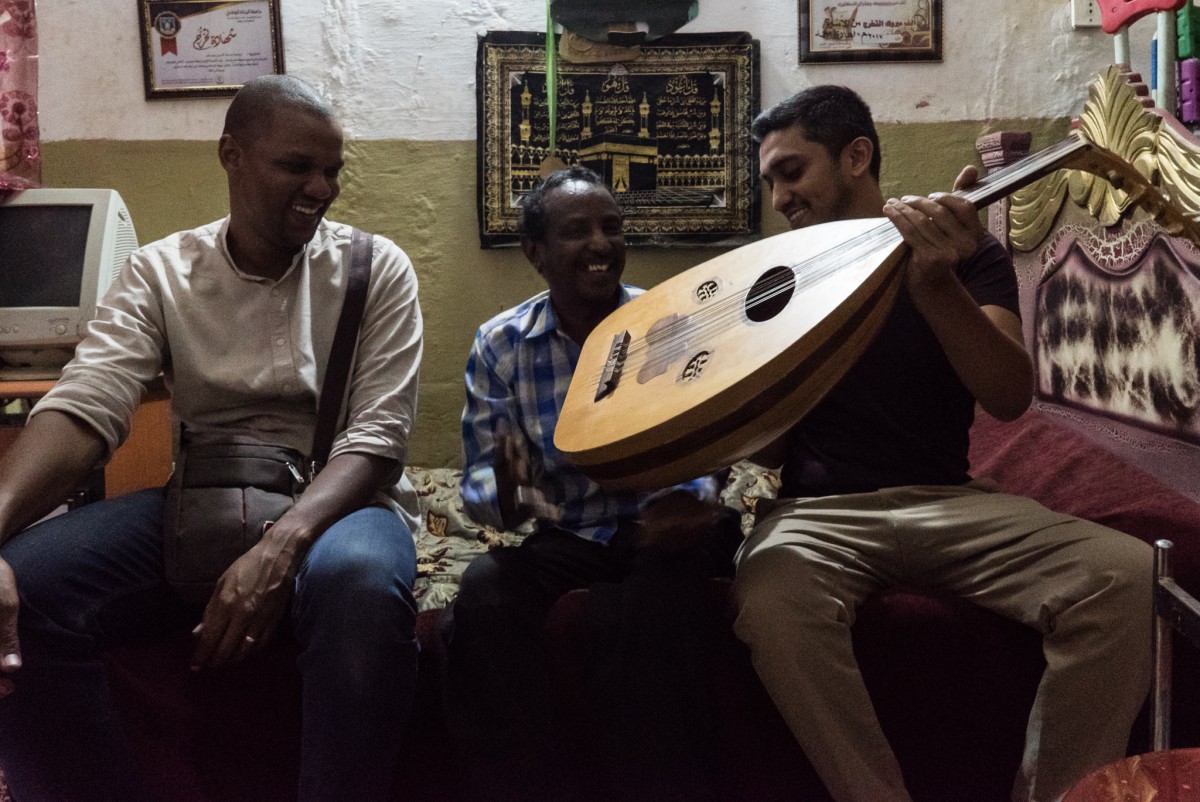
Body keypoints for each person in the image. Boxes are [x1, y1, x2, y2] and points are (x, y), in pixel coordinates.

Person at [0, 75, 423, 802]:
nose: (322, 189)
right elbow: (86, 403)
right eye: (297, 166)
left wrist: (278, 550)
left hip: (342, 502)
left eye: (332, 170)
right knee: (26, 589)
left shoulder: (375, 269)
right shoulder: (161, 273)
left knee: (360, 587)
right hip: (201, 499)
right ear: (232, 156)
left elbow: (378, 438)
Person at [731, 85, 1152, 802]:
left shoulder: (964, 252)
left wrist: (934, 285)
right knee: (770, 600)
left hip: (950, 502)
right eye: (771, 180)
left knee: (1128, 575)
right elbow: (767, 455)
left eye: (792, 172)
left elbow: (1007, 395)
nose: (780, 198)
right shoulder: (776, 280)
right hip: (818, 516)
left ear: (856, 156)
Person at [440, 165, 741, 802]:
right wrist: (507, 497)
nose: (601, 244)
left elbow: (712, 446)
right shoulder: (500, 344)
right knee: (484, 593)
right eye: (577, 231)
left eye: (612, 227)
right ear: (535, 252)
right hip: (572, 533)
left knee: (652, 608)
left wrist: (697, 498)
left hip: (667, 529)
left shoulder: (671, 322)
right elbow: (482, 482)